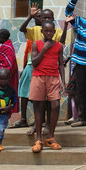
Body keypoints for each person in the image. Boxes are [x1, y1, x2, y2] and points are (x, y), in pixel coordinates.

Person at [29, 20, 67, 153]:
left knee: (55, 104)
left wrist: (63, 81)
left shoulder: (58, 46)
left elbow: (61, 64)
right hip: (38, 77)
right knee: (38, 106)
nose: (49, 33)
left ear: (54, 32)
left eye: (51, 31)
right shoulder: (36, 44)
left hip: (53, 77)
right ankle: (39, 138)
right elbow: (34, 62)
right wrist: (44, 48)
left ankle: (50, 136)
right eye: (46, 31)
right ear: (42, 32)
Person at [13, 3, 42, 128]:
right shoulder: (32, 32)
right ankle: (23, 118)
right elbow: (22, 29)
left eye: (42, 16)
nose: (39, 18)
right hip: (30, 65)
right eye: (38, 16)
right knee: (23, 93)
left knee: (39, 95)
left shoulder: (49, 31)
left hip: (42, 67)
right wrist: (30, 17)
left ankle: (39, 120)